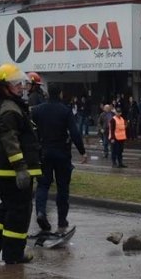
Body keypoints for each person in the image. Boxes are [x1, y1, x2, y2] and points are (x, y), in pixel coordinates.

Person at [0, 64, 41, 264]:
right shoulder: (9, 109)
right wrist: (21, 168)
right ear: (4, 86)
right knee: (19, 213)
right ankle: (13, 254)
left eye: (20, 83)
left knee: (7, 208)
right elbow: (11, 141)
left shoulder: (7, 105)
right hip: (13, 172)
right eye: (16, 84)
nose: (21, 87)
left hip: (6, 171)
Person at [31, 84, 87, 233]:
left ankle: (41, 212)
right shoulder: (65, 111)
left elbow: (30, 128)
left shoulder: (38, 110)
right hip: (62, 153)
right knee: (63, 188)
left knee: (43, 185)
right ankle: (62, 220)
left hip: (44, 152)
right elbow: (74, 132)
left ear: (48, 94)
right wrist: (82, 151)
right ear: (61, 94)